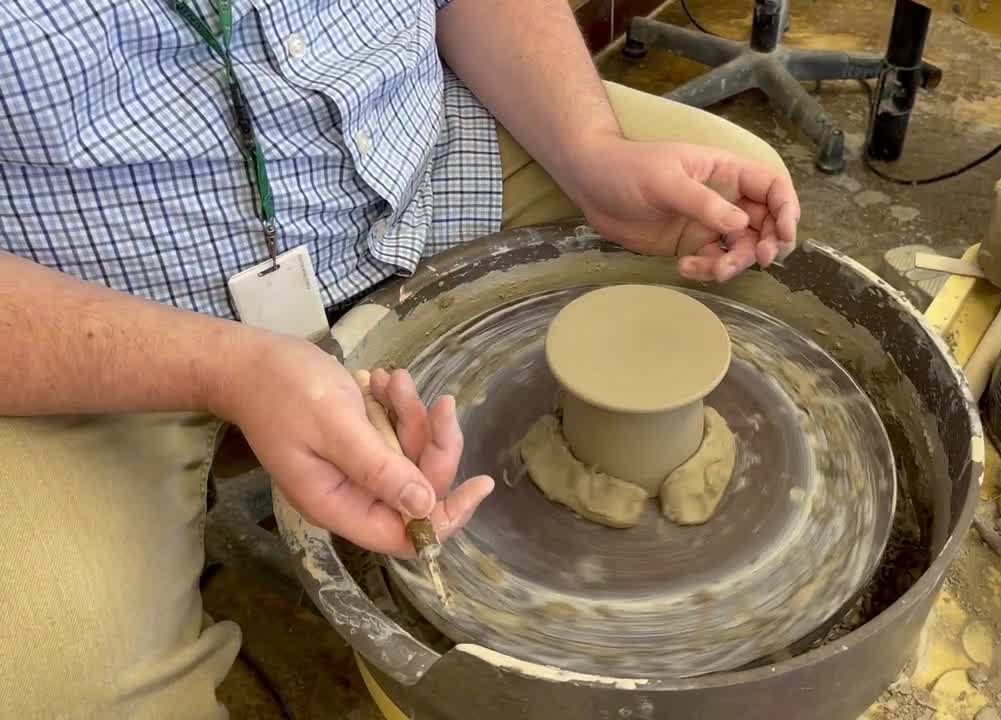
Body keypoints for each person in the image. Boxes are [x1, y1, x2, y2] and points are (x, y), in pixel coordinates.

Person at [0, 1, 799, 716]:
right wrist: (223, 366)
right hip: (100, 308)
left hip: (424, 164)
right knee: (54, 685)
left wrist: (591, 155)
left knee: (733, 215)